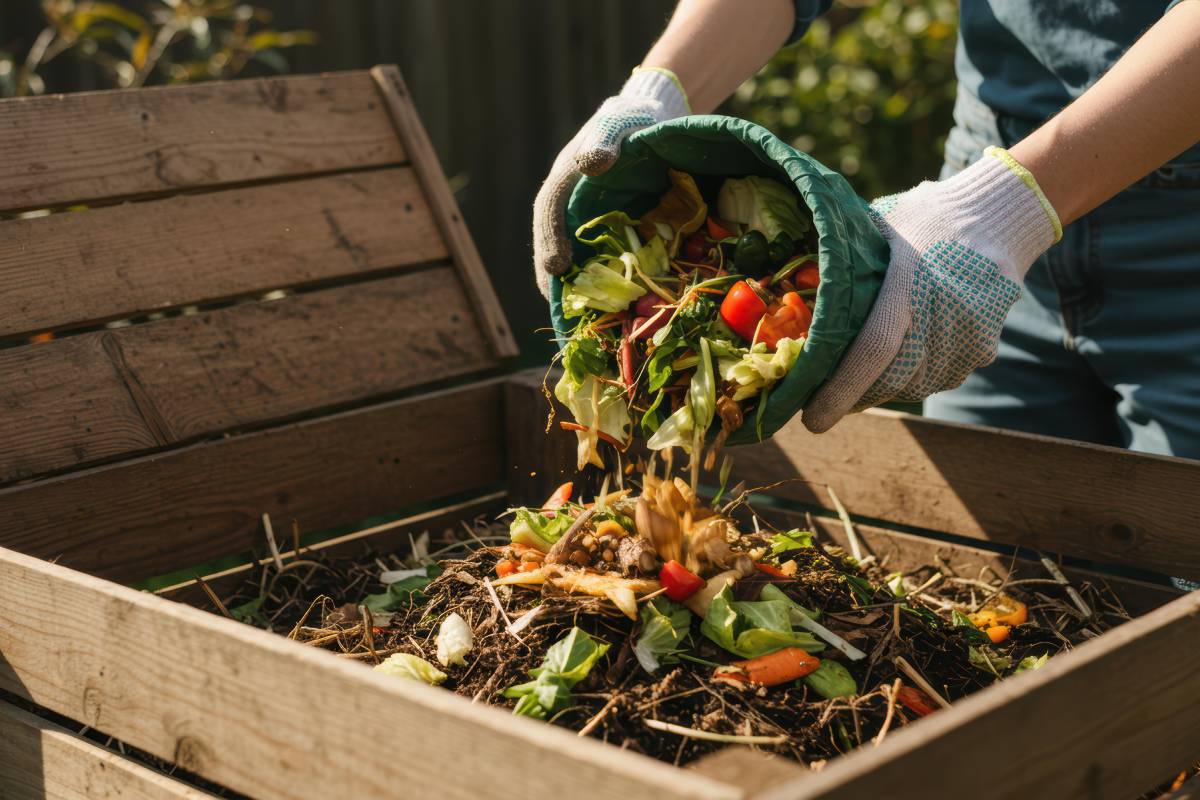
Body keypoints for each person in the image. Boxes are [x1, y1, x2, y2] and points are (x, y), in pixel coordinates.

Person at [531, 0, 1200, 459]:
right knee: (995, 585)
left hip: (1154, 239)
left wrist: (1008, 207)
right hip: (973, 215)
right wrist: (657, 91)